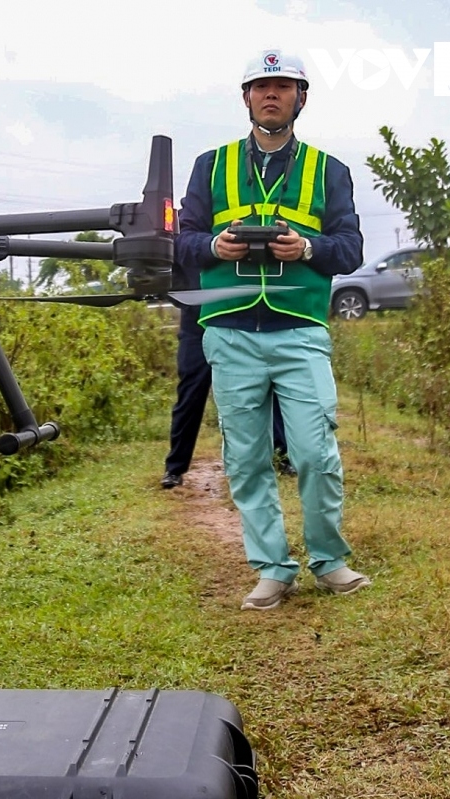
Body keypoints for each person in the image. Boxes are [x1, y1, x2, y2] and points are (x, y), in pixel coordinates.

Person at [176, 49, 369, 611]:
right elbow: (182, 241)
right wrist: (214, 245)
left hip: (299, 329)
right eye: (261, 86)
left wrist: (307, 247)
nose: (271, 94)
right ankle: (272, 568)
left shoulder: (329, 171)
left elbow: (351, 250)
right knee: (247, 457)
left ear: (300, 98)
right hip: (230, 332)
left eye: (283, 86)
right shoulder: (209, 166)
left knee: (314, 452)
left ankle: (330, 561)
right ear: (246, 98)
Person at [162, 261, 293, 488]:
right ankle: (175, 468)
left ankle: (282, 457)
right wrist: (188, 300)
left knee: (266, 384)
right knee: (191, 391)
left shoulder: (231, 227)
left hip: (236, 318)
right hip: (197, 322)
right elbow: (170, 272)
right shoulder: (183, 230)